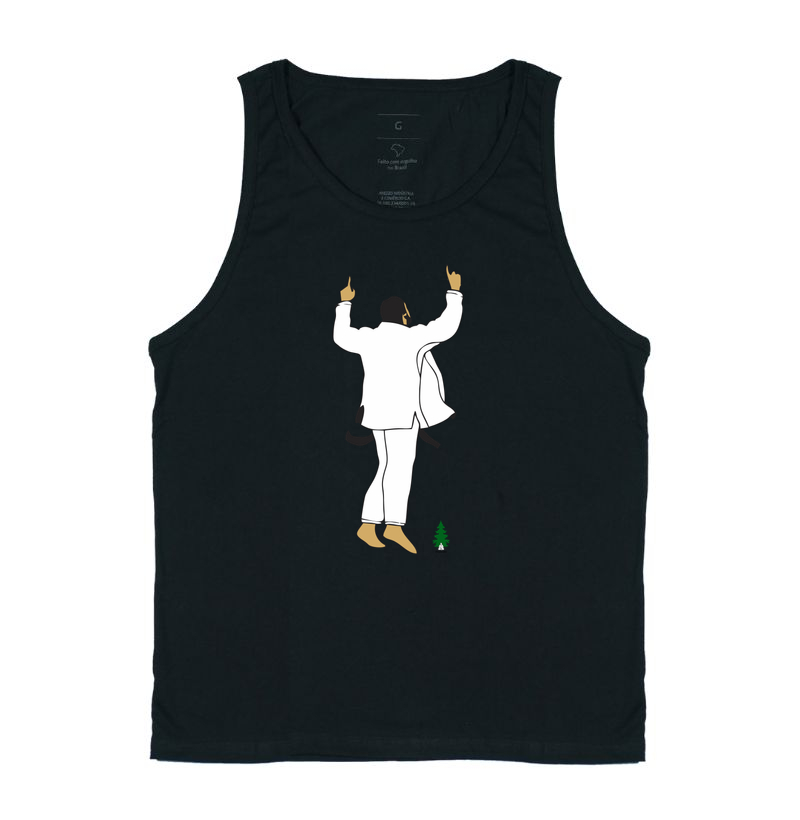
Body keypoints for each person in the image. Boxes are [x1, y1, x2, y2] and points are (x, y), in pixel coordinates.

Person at [333, 266, 463, 553]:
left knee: (386, 467)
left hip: (376, 414)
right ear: (404, 314)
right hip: (403, 415)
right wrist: (454, 292)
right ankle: (393, 526)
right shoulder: (413, 337)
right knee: (400, 468)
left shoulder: (368, 337)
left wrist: (345, 303)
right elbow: (446, 326)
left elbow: (341, 337)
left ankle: (368, 525)